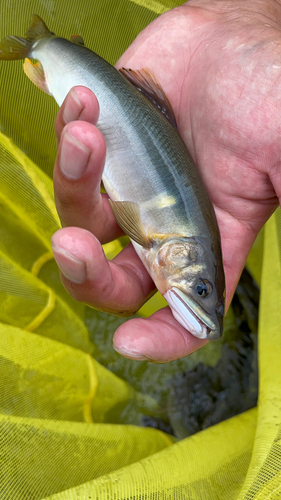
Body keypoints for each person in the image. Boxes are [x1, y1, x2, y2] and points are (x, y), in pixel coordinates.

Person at [51, 0, 280, 362]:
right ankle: (44, 48)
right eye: (202, 288)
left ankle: (45, 49)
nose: (203, 303)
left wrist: (242, 13)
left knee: (77, 140)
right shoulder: (156, 241)